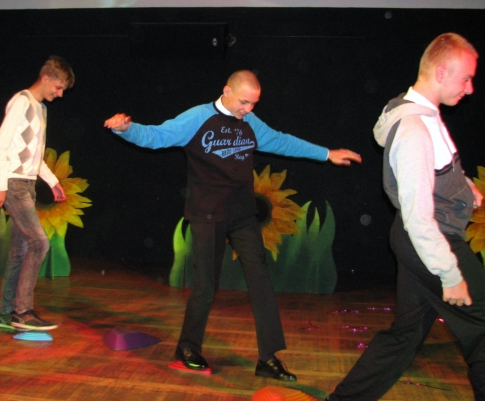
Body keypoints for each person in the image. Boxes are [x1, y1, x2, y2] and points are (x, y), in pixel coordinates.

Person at [105, 70, 361, 381]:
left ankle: (268, 358)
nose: (248, 110)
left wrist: (326, 154)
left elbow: (281, 141)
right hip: (207, 213)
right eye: (244, 102)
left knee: (261, 279)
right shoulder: (197, 118)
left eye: (253, 104)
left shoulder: (250, 122)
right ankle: (187, 348)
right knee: (206, 286)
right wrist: (126, 130)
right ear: (226, 91)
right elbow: (157, 137)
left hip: (242, 214)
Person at [325, 33, 485, 400]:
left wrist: (466, 187)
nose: (470, 88)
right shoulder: (414, 129)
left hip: (421, 240)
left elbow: (437, 169)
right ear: (441, 73)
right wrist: (449, 273)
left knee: (406, 334)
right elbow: (418, 216)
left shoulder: (424, 114)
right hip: (432, 240)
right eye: (466, 78)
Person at [0, 55, 75, 331]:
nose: (60, 94)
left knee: (20, 251)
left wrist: (52, 181)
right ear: (46, 77)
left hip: (26, 184)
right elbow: (1, 144)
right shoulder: (22, 101)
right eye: (59, 87)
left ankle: (5, 313)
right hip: (15, 184)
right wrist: (1, 184)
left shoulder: (41, 109)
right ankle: (23, 312)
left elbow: (34, 155)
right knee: (39, 243)